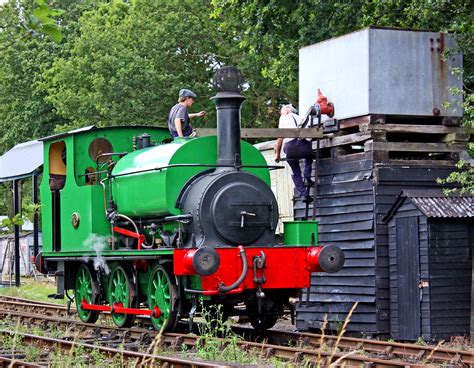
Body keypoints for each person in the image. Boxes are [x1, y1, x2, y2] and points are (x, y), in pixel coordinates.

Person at [275, 104, 314, 199]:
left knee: (295, 172)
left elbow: (280, 138)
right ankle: (307, 177)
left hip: (289, 148)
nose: (281, 115)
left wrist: (278, 155)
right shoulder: (299, 117)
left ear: (287, 111)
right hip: (302, 145)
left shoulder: (283, 119)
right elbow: (308, 133)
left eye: (282, 113)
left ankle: (303, 195)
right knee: (309, 156)